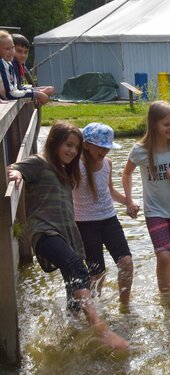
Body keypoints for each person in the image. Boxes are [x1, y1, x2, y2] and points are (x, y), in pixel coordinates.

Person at [7, 121, 128, 350]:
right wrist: (15, 173)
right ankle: (100, 329)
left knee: (72, 288)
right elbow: (14, 169)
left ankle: (70, 334)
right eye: (68, 145)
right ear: (54, 142)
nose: (72, 151)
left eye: (75, 147)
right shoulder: (40, 162)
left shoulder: (63, 169)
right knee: (78, 268)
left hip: (63, 235)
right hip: (44, 232)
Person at [122, 101, 170, 295]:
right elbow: (126, 174)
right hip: (154, 210)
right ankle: (164, 294)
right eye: (166, 124)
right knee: (164, 255)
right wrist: (129, 200)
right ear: (154, 125)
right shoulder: (140, 150)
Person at [73, 123, 138, 305]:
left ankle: (125, 305)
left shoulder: (107, 164)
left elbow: (109, 190)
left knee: (126, 262)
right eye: (101, 147)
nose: (105, 151)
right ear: (86, 145)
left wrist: (128, 202)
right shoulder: (76, 165)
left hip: (109, 219)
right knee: (97, 272)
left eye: (107, 147)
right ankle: (95, 309)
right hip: (85, 223)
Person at [0, 31, 52, 104]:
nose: (12, 51)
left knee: (49, 89)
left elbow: (14, 87)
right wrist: (36, 94)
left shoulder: (8, 63)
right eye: (7, 48)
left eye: (13, 47)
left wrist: (35, 92)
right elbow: (9, 94)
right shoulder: (3, 64)